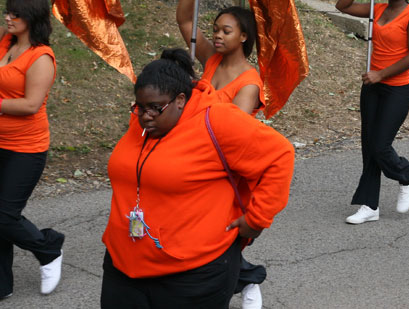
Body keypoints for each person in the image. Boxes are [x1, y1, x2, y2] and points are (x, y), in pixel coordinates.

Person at [100, 49, 294, 308]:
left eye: (155, 108)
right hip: (123, 264)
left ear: (180, 99)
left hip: (193, 275)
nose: (146, 116)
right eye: (140, 107)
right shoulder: (145, 122)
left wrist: (257, 219)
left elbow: (279, 155)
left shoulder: (218, 120)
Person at [175, 0, 267, 308]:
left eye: (226, 31)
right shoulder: (211, 59)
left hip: (227, 169)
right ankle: (242, 280)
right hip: (196, 158)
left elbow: (231, 132)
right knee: (203, 231)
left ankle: (248, 280)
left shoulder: (250, 82)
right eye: (215, 29)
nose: (216, 34)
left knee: (221, 232)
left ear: (243, 36)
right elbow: (185, 20)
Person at [335, 0, 409, 224]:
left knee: (380, 145)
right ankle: (369, 205)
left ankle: (405, 175)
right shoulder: (377, 8)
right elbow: (343, 6)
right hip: (372, 87)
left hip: (397, 89)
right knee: (367, 147)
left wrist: (381, 74)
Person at [0, 0, 64, 298]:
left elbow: (30, 104)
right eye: (7, 12)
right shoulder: (6, 41)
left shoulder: (41, 58)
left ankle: (48, 248)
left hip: (26, 149)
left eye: (16, 14)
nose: (8, 18)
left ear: (32, 19)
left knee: (3, 215)